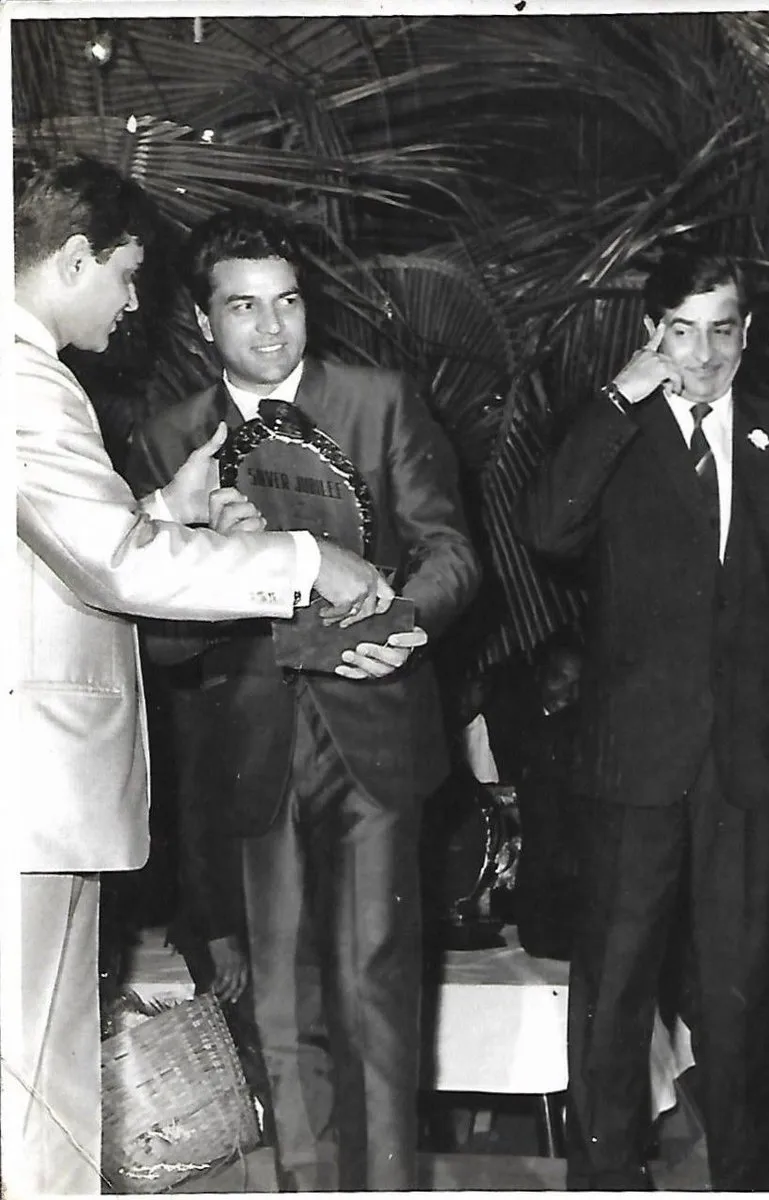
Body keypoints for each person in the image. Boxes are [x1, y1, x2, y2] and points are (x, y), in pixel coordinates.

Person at [7, 158, 396, 1197]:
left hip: (38, 791)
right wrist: (308, 562)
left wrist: (161, 508)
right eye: (124, 277)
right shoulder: (25, 377)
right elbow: (112, 564)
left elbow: (67, 540)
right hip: (31, 787)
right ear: (75, 260)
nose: (132, 303)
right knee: (37, 1076)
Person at [124, 206, 480, 1191]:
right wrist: (208, 556)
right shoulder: (165, 443)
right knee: (277, 1009)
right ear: (204, 323)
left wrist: (403, 626)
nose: (272, 329)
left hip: (371, 730)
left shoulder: (380, 401)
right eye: (244, 308)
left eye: (286, 303)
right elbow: (157, 638)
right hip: (250, 747)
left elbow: (450, 550)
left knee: (374, 992)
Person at [514, 249, 769, 1191]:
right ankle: (608, 1173)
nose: (702, 355)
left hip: (752, 765)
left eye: (724, 330)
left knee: (744, 983)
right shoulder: (614, 432)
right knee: (616, 982)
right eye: (681, 331)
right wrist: (621, 397)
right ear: (652, 332)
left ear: (747, 335)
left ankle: (744, 1167)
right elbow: (546, 529)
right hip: (636, 759)